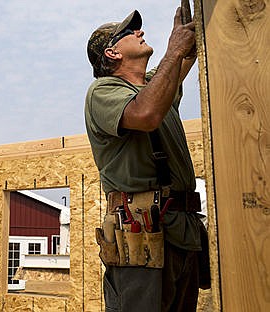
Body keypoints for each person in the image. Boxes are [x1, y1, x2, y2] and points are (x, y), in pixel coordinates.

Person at [85, 8, 205, 312]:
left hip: (180, 230)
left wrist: (188, 37)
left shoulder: (154, 86)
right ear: (112, 53)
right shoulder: (102, 91)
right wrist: (174, 50)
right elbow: (146, 114)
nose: (139, 32)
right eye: (129, 32)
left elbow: (185, 56)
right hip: (141, 236)